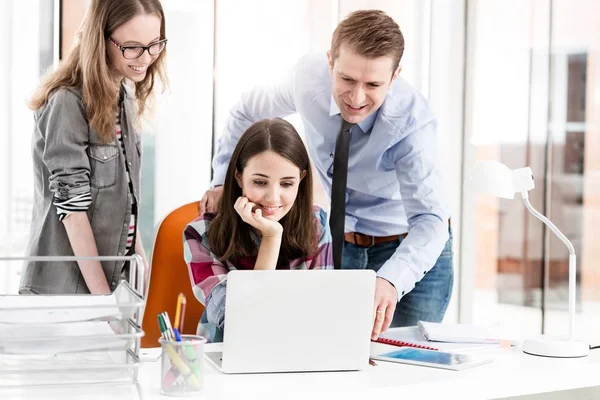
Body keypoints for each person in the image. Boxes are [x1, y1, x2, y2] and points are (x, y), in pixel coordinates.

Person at [199, 10, 453, 339]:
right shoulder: (307, 78)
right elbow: (247, 110)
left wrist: (390, 279)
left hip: (407, 247)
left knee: (404, 367)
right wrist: (221, 180)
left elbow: (430, 220)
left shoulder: (412, 124)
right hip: (336, 242)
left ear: (395, 76)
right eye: (347, 79)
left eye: (373, 84)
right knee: (333, 351)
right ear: (330, 62)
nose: (357, 98)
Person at [20, 0, 168, 294]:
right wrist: (104, 302)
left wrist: (141, 264)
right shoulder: (66, 102)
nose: (146, 57)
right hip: (64, 292)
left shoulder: (122, 95)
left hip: (113, 286)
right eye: (132, 47)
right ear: (100, 40)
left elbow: (128, 199)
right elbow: (73, 212)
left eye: (155, 44)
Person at [184, 118, 333, 342]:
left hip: (299, 352)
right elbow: (243, 322)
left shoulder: (316, 223)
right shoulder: (200, 233)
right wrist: (271, 238)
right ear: (239, 177)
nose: (273, 197)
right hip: (227, 355)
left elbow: (323, 313)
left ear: (300, 179)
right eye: (261, 182)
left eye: (286, 184)